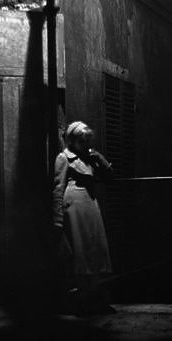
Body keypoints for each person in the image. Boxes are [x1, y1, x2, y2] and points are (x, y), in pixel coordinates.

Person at [52, 121, 115, 315]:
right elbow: (57, 188)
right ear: (72, 140)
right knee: (81, 254)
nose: (85, 143)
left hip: (90, 203)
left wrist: (100, 158)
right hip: (74, 207)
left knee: (95, 249)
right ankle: (83, 300)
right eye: (82, 140)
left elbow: (109, 176)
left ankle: (94, 297)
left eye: (87, 140)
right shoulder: (64, 158)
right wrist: (57, 218)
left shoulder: (89, 157)